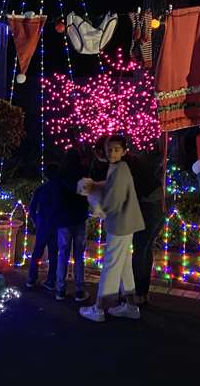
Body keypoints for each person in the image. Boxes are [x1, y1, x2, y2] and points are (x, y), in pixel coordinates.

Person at [79, 135, 145, 322]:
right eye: (109, 149)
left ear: (124, 151)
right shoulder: (119, 168)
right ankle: (131, 306)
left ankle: (99, 308)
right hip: (125, 223)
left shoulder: (120, 169)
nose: (112, 153)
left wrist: (98, 209)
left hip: (119, 224)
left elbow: (114, 199)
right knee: (123, 266)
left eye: (116, 149)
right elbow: (111, 186)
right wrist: (96, 185)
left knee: (111, 265)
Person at [129, 143, 165, 305]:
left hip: (147, 209)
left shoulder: (131, 167)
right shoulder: (149, 165)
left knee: (140, 250)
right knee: (146, 249)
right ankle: (143, 292)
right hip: (157, 208)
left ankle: (138, 292)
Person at [54, 148, 90, 302]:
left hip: (63, 220)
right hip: (79, 219)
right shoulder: (83, 173)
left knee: (62, 254)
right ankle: (79, 291)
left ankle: (60, 290)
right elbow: (88, 194)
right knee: (79, 256)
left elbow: (57, 197)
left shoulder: (60, 175)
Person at [26, 163, 60, 291]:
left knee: (37, 252)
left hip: (43, 224)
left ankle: (31, 278)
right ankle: (51, 280)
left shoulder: (41, 189)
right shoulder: (60, 189)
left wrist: (35, 221)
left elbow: (32, 207)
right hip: (56, 224)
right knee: (53, 254)